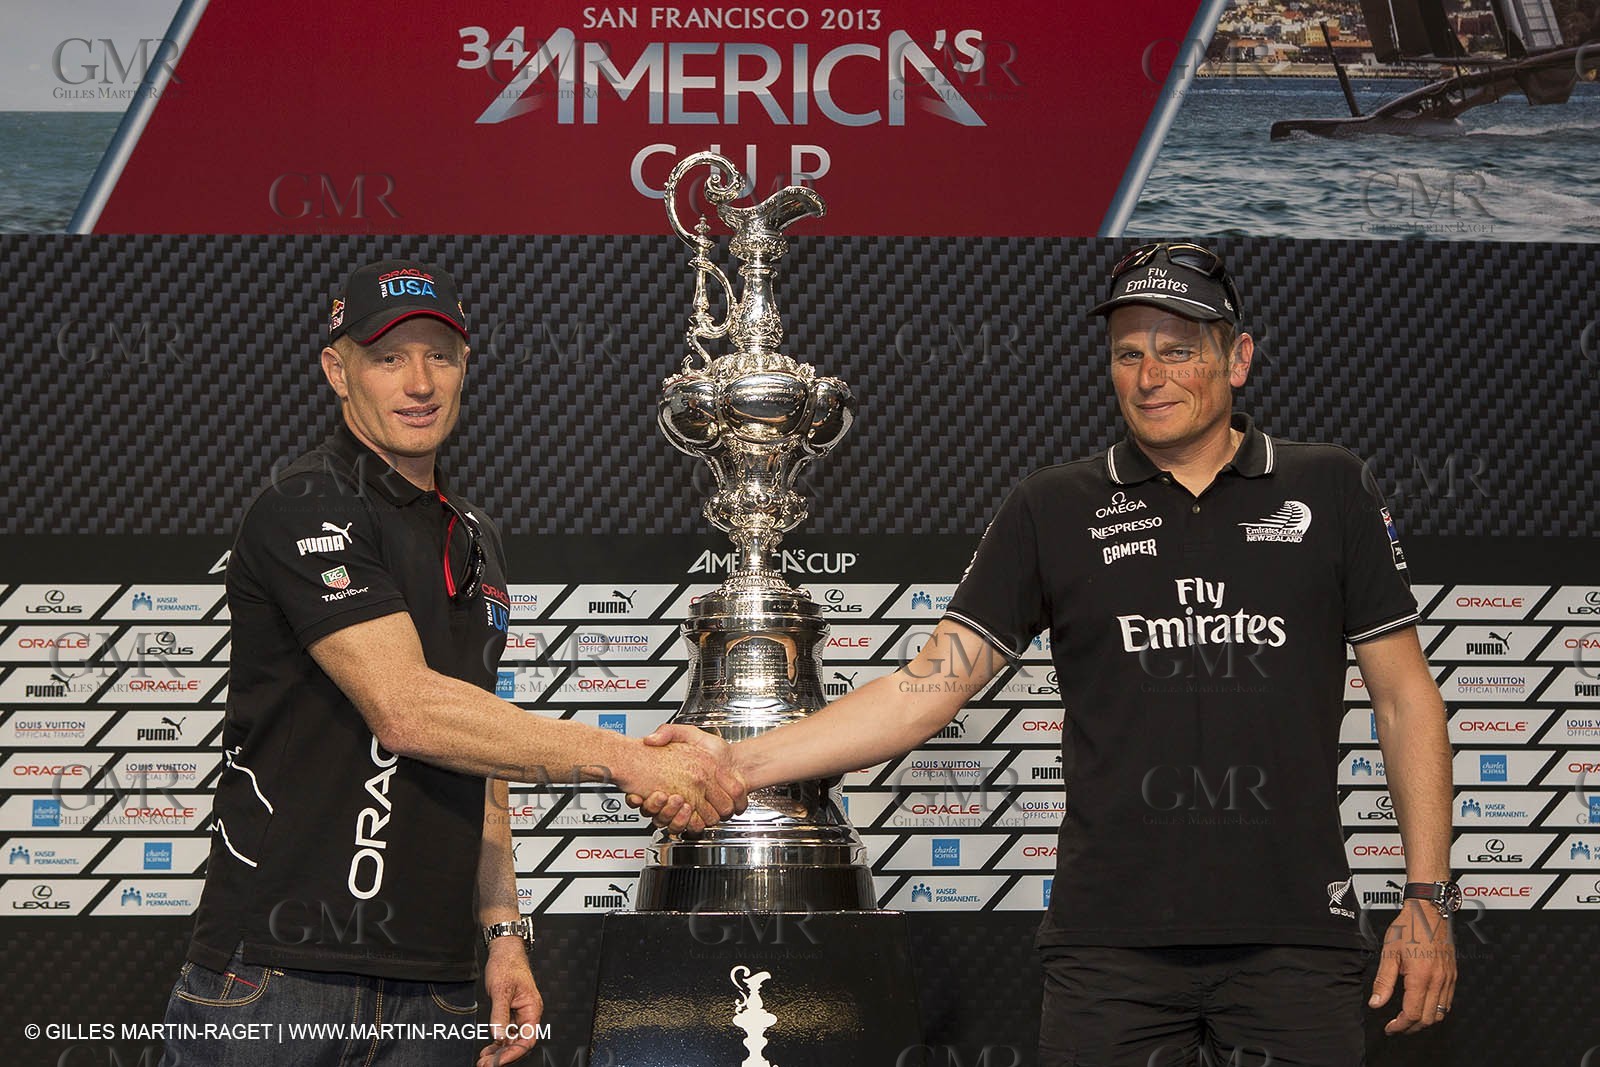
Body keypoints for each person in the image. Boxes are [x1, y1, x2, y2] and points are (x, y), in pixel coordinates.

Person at [640, 242, 1456, 1066]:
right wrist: (736, 762)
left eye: (1178, 350)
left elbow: (1404, 700)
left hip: (1296, 938)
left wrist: (1427, 897)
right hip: (1110, 948)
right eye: (1128, 354)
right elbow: (926, 687)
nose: (1151, 376)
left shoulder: (1330, 487)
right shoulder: (1055, 506)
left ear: (1238, 358)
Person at [158, 258, 746, 1067]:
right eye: (388, 357)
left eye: (439, 355)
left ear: (465, 364)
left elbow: (481, 750)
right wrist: (621, 755)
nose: (419, 382)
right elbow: (408, 710)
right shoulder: (307, 503)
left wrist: (504, 934)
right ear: (337, 370)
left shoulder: (473, 534)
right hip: (278, 975)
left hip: (434, 983)